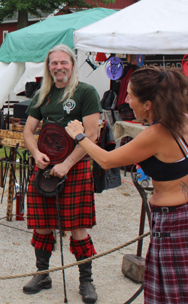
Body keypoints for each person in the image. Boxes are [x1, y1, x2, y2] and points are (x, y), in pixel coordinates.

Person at [65, 67, 188, 304]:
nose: (128, 101)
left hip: (174, 222)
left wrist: (79, 135)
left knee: (173, 293)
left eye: (131, 95)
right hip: (177, 216)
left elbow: (107, 160)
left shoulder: (158, 133)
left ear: (149, 103)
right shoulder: (181, 121)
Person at [23, 44, 101, 304]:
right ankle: (43, 274)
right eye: (53, 63)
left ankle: (86, 281)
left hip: (74, 167)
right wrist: (35, 153)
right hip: (45, 167)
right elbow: (28, 132)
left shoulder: (85, 92)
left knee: (78, 227)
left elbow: (92, 135)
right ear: (48, 66)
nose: (58, 67)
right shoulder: (42, 94)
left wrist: (67, 164)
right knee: (42, 225)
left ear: (72, 64)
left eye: (63, 62)